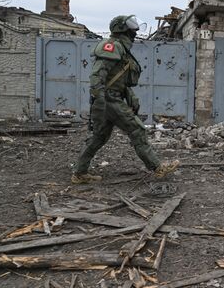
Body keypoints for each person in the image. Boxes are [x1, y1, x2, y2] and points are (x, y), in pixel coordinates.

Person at [71, 15, 179, 184]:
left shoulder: (121, 47)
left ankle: (79, 172)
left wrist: (129, 96)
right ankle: (158, 168)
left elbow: (118, 79)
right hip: (109, 100)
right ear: (122, 29)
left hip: (110, 99)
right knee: (137, 129)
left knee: (99, 137)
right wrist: (100, 100)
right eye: (132, 28)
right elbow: (97, 75)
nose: (135, 31)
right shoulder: (112, 46)